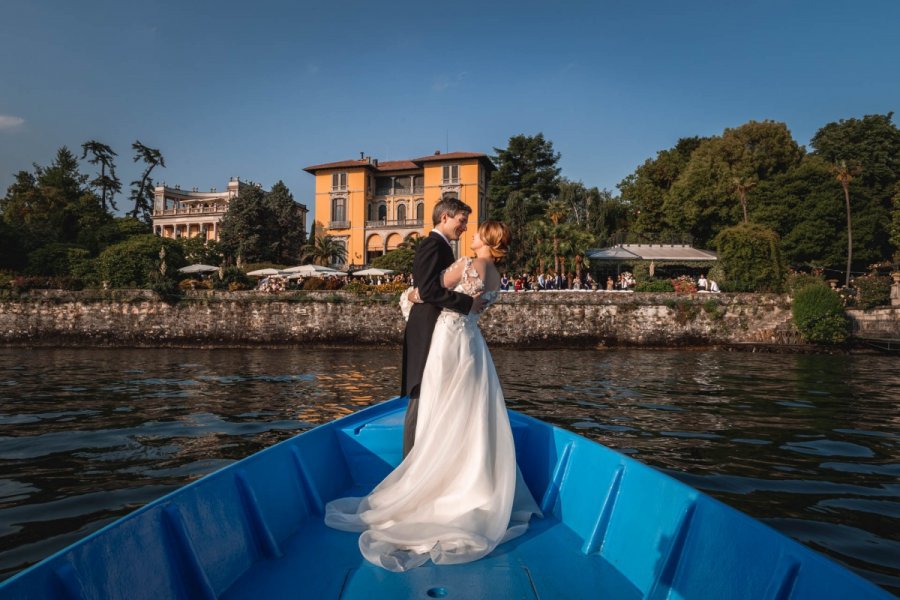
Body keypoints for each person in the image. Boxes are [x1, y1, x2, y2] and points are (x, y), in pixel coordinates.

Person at [325, 221, 542, 572]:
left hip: (449, 341)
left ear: (485, 240)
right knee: (472, 411)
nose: (470, 236)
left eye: (476, 233)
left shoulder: (468, 265)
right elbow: (476, 307)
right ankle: (474, 481)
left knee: (441, 407)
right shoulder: (497, 274)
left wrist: (407, 296)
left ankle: (434, 481)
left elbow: (428, 291)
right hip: (473, 344)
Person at [399, 198, 483, 458]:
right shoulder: (431, 244)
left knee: (433, 395)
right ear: (445, 217)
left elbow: (426, 290)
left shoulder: (444, 248)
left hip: (440, 329)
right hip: (426, 329)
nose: (465, 227)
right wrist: (467, 303)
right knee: (420, 396)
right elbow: (428, 290)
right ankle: (410, 463)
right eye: (461, 220)